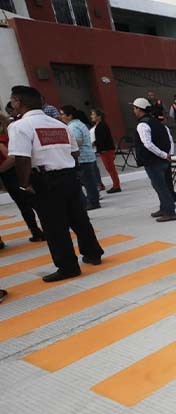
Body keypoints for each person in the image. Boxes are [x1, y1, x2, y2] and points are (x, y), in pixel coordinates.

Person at [7, 85, 104, 281]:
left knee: (54, 226)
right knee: (79, 218)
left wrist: (24, 184)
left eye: (13, 101)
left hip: (44, 181)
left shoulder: (19, 126)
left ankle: (68, 267)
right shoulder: (59, 124)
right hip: (69, 176)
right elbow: (75, 152)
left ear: (18, 101)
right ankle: (93, 253)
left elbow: (22, 159)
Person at [131, 98, 176, 222]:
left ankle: (169, 212)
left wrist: (163, 155)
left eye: (134, 108)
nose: (133, 110)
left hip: (153, 161)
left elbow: (148, 144)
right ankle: (164, 208)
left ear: (139, 109)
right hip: (163, 160)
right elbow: (170, 138)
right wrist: (169, 154)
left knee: (160, 187)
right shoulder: (157, 122)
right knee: (162, 186)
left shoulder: (142, 125)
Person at [0, 113, 44, 242]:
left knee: (24, 205)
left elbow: (10, 156)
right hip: (23, 170)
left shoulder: (1, 139)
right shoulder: (11, 135)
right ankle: (46, 228)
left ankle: (36, 231)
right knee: (34, 201)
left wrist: (1, 169)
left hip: (10, 174)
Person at [60, 105, 100, 211]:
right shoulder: (80, 123)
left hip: (82, 157)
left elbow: (78, 141)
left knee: (86, 181)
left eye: (63, 114)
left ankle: (92, 201)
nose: (61, 116)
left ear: (70, 115)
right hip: (88, 156)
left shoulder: (73, 126)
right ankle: (93, 200)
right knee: (89, 180)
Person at [90, 109, 120, 193]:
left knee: (110, 168)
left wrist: (94, 143)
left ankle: (116, 185)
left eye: (93, 114)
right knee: (109, 168)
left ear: (99, 116)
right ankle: (116, 184)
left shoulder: (102, 126)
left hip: (106, 150)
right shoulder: (98, 125)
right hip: (104, 150)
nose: (91, 116)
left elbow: (102, 139)